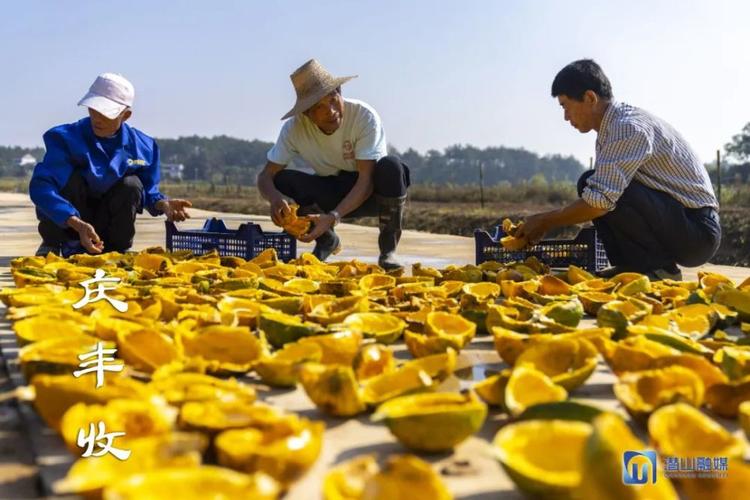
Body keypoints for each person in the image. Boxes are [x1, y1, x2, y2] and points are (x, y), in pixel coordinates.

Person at [516, 59, 720, 280]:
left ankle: (660, 269)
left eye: (565, 106)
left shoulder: (626, 128)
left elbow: (599, 202)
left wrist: (545, 220)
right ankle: (634, 266)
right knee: (591, 182)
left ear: (590, 98)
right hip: (679, 221)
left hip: (697, 232)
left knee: (604, 191)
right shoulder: (611, 128)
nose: (565, 117)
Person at [257, 59, 410, 270]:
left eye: (332, 99)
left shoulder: (363, 116)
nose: (330, 111)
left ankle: (388, 250)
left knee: (392, 167)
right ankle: (326, 240)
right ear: (307, 114)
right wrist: (275, 200)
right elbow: (265, 176)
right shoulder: (294, 129)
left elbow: (366, 179)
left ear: (340, 92)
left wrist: (334, 217)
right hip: (332, 190)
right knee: (283, 180)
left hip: (373, 193)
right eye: (319, 107)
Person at [29, 73, 192, 256]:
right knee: (71, 179)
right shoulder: (65, 138)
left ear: (126, 115)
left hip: (108, 231)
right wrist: (76, 223)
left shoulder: (143, 148)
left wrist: (163, 204)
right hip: (70, 224)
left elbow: (148, 191)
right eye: (93, 109)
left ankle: (116, 249)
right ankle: (55, 244)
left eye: (106, 113)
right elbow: (42, 188)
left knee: (131, 184)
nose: (97, 118)